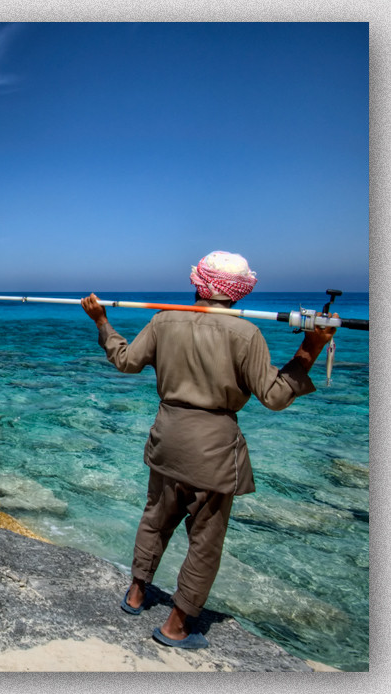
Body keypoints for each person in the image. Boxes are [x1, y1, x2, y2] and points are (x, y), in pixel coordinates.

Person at [80, 251, 336, 649]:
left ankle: (135, 595)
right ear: (238, 292)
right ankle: (176, 627)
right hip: (213, 450)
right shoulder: (245, 334)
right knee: (205, 541)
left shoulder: (164, 320)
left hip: (167, 438)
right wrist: (311, 347)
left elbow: (126, 361)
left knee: (155, 518)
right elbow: (273, 395)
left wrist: (101, 321)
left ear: (199, 284)